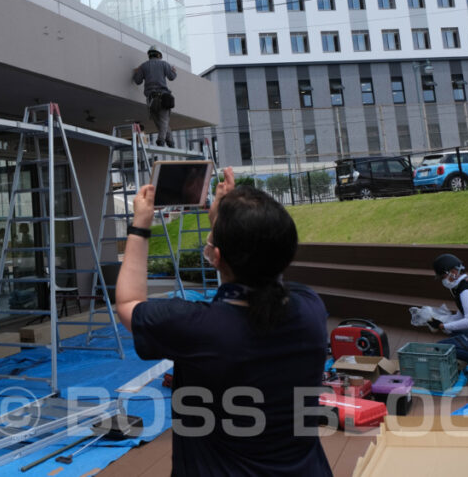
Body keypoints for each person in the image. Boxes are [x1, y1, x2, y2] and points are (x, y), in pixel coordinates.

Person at [116, 168, 331, 476]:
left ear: (215, 256)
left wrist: (141, 225)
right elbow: (257, 269)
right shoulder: (310, 310)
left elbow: (127, 303)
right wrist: (226, 215)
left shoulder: (196, 328)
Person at [132, 45, 177, 147]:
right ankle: (161, 141)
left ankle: (170, 142)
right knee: (164, 121)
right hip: (163, 98)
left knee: (161, 123)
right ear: (159, 55)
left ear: (149, 55)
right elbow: (172, 77)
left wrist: (136, 72)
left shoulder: (143, 66)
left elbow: (137, 81)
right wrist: (174, 70)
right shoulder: (164, 64)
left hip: (151, 100)